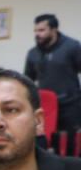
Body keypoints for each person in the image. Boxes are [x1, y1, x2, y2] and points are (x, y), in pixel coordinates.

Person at [25, 13, 81, 150]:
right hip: (45, 106)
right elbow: (28, 79)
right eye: (35, 30)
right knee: (45, 141)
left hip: (70, 105)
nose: (37, 34)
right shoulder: (33, 53)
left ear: (54, 30)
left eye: (41, 30)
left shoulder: (73, 47)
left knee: (69, 143)